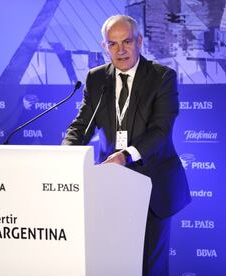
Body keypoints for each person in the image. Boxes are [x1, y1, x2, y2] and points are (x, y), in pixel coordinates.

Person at [62, 14, 191, 276]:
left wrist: (125, 155)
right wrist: (65, 154)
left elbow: (161, 129)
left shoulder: (161, 77)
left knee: (149, 266)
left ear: (139, 41)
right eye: (113, 44)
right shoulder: (96, 79)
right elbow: (81, 125)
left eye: (127, 42)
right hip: (110, 187)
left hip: (153, 185)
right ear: (104, 47)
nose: (120, 50)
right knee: (112, 264)